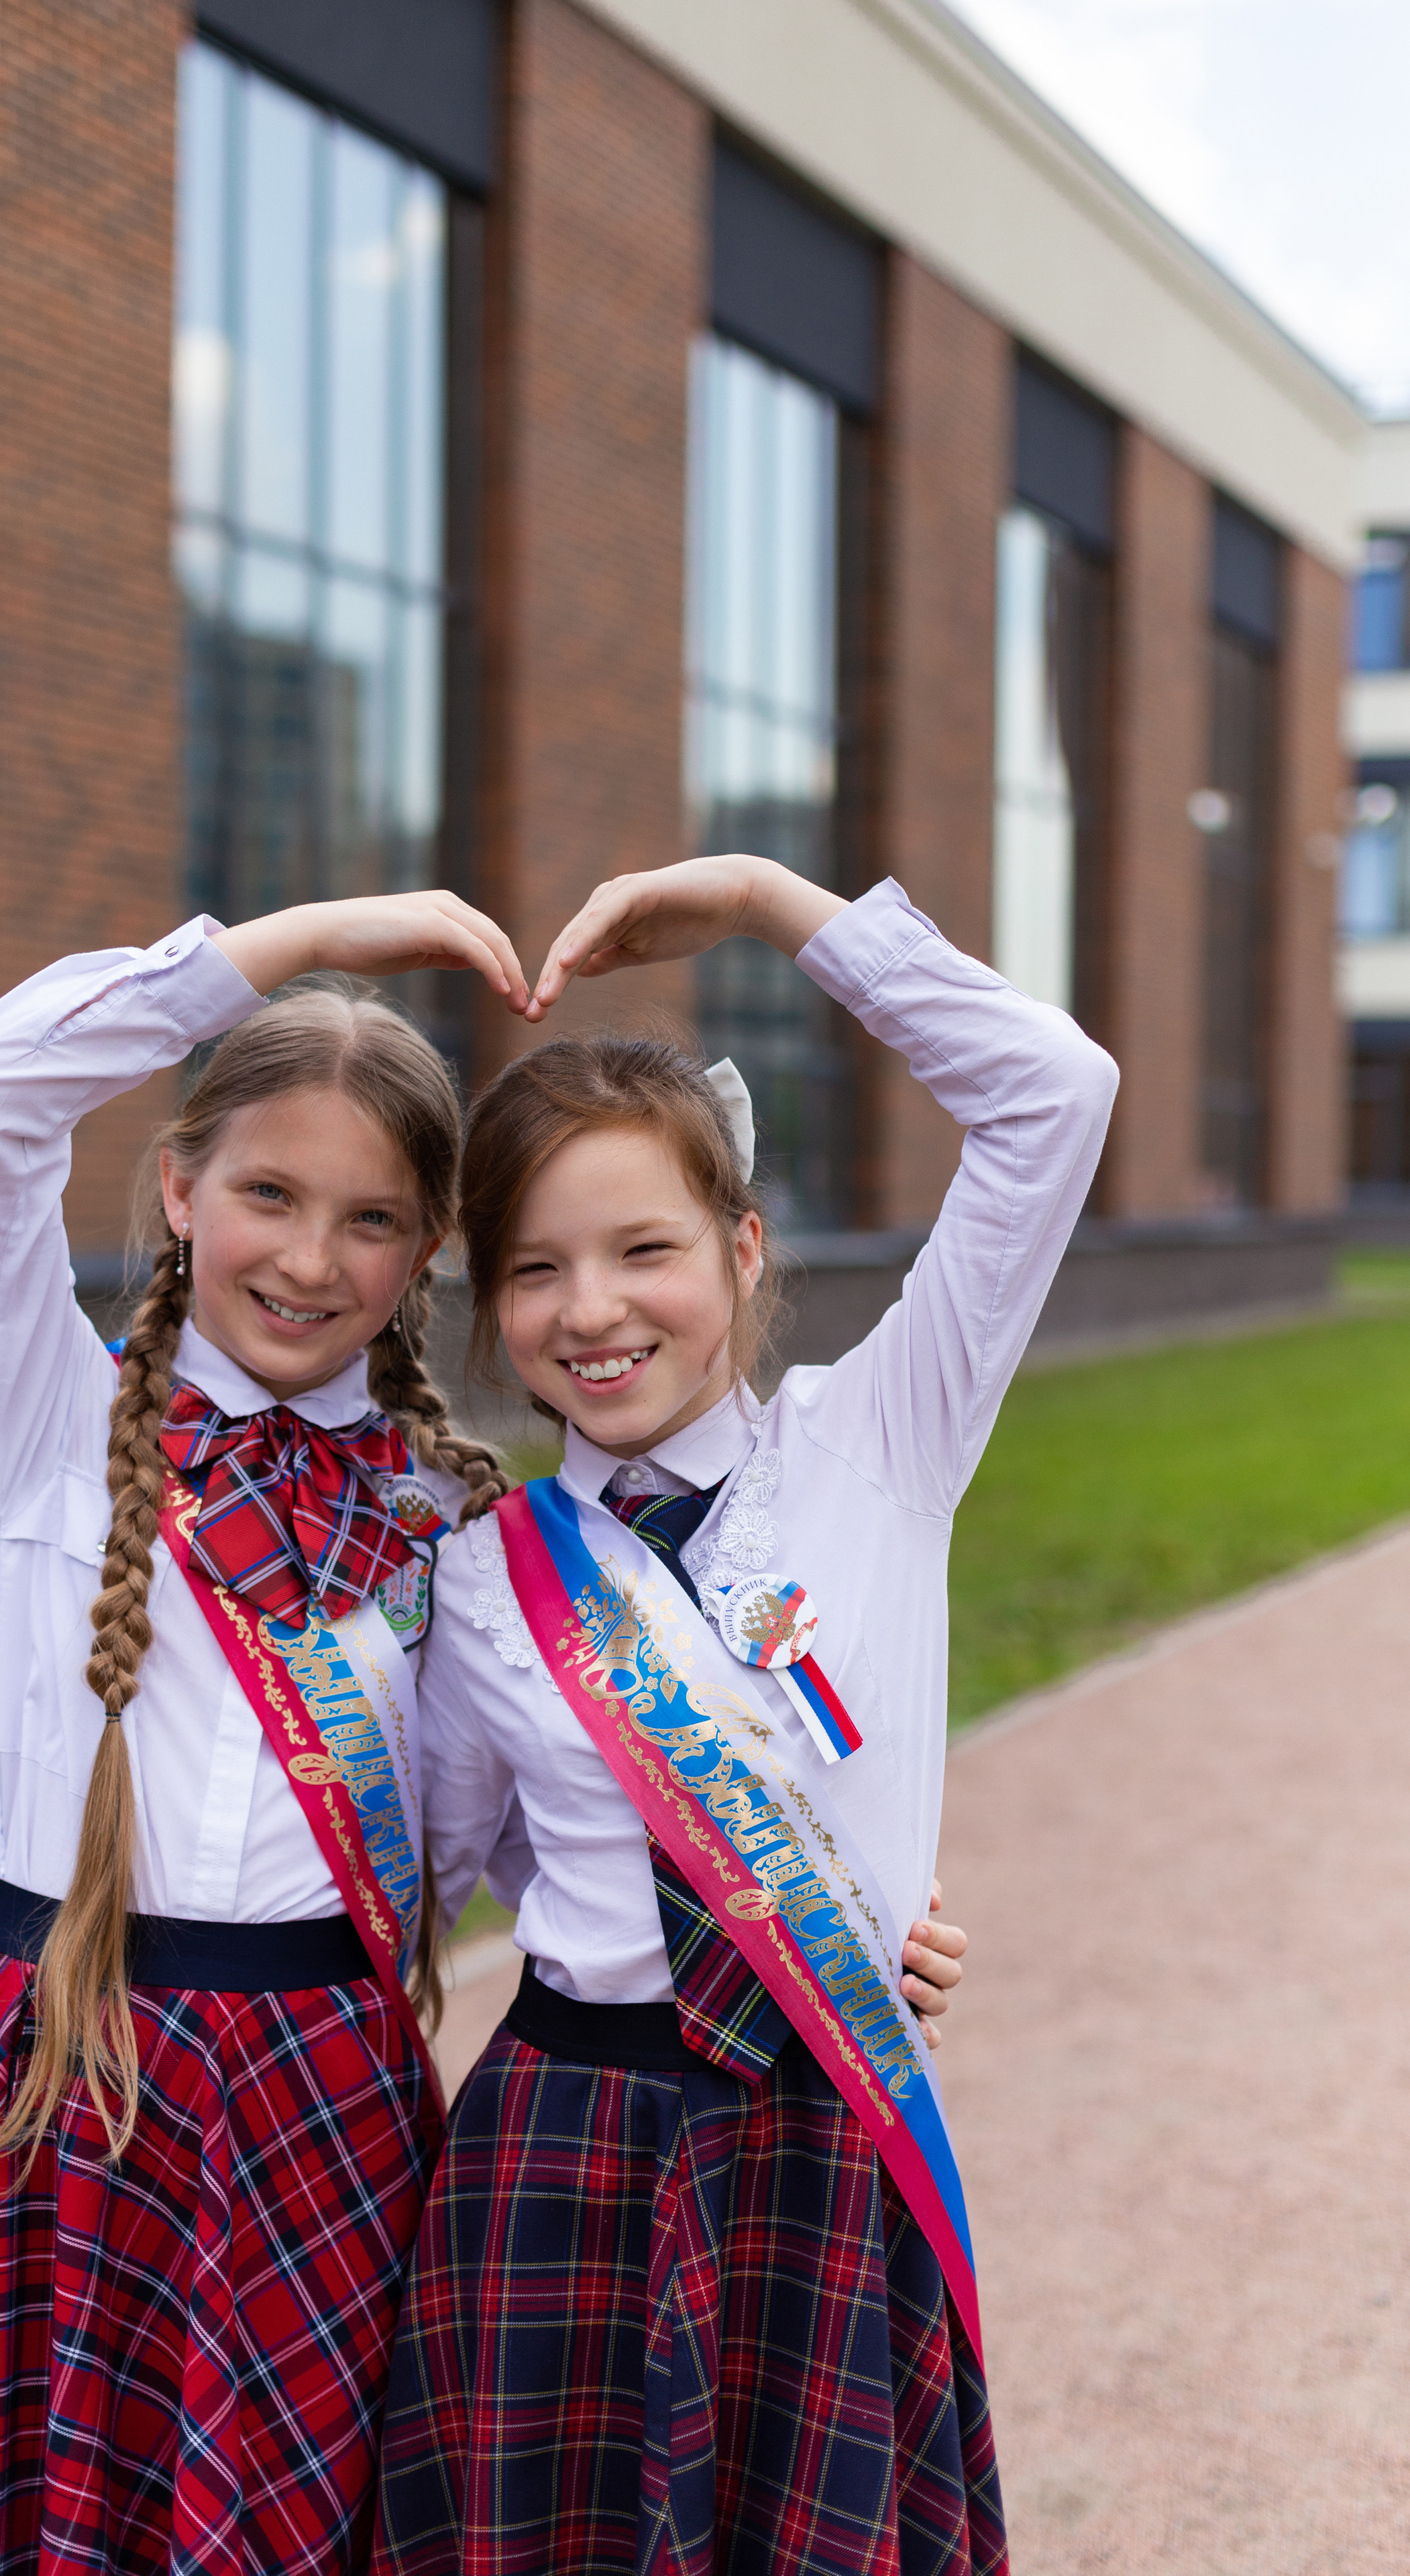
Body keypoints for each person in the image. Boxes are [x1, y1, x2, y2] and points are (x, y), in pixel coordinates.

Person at [374, 853, 1118, 2575]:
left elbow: (1053, 1094)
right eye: (538, 1269)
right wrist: (81, 1636)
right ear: (491, 1302)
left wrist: (775, 904)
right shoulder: (480, 1579)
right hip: (564, 2144)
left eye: (645, 1248)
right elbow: (419, 1863)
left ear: (742, 1245)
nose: (594, 1310)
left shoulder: (881, 1442)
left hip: (817, 2132)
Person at [0, 890, 531, 2576]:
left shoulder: (448, 1524)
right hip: (61, 2049)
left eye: (370, 1219)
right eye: (266, 1192)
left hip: (319, 2091)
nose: (307, 1257)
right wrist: (326, 932)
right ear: (181, 1189)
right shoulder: (45, 1412)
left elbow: (511, 1835)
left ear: (421, 1255)